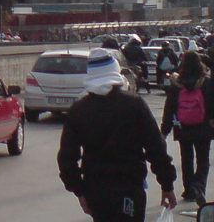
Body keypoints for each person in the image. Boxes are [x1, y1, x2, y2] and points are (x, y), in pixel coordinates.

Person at [58, 48, 177, 222]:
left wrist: (79, 190)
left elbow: (67, 158)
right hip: (130, 188)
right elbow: (156, 147)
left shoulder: (79, 110)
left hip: (96, 190)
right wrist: (167, 184)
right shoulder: (134, 105)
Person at [160, 51, 213, 206]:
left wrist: (165, 130)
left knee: (186, 159)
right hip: (203, 126)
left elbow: (169, 108)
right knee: (203, 159)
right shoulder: (206, 82)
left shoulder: (176, 84)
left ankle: (189, 190)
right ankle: (199, 185)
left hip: (182, 127)